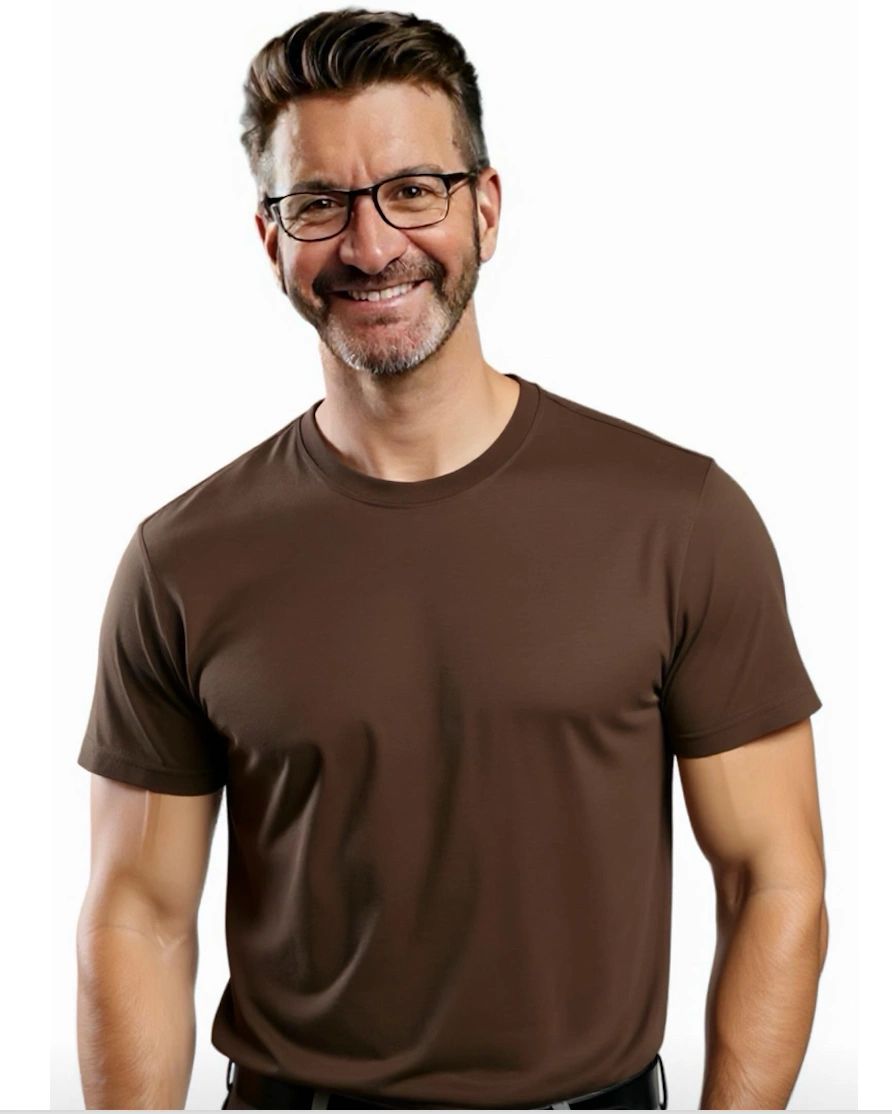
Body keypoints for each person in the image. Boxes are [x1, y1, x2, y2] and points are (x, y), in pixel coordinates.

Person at [75, 8, 829, 1111]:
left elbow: (775, 879)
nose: (371, 245)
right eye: (319, 203)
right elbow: (137, 914)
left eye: (413, 190)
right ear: (271, 240)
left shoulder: (680, 520)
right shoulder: (180, 562)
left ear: (485, 206)